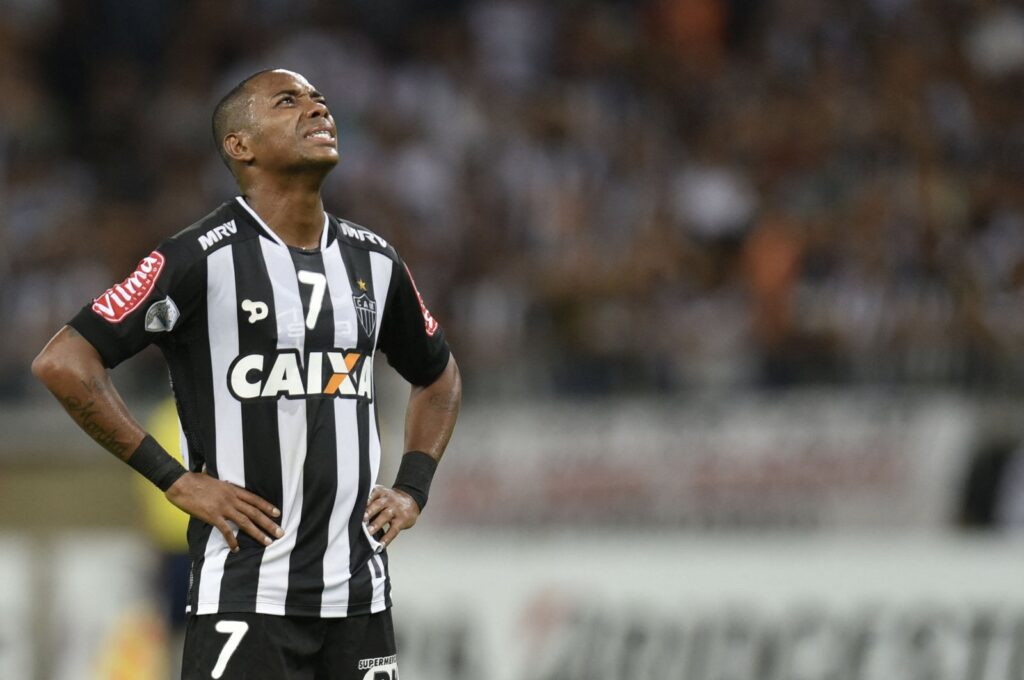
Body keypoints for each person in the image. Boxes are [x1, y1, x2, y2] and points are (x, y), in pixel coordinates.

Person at [32, 68, 462, 680]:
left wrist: (413, 486)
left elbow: (439, 376)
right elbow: (64, 361)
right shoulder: (198, 257)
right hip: (245, 596)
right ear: (242, 146)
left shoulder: (375, 261)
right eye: (289, 102)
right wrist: (175, 479)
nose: (318, 110)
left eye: (320, 100)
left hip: (361, 599)